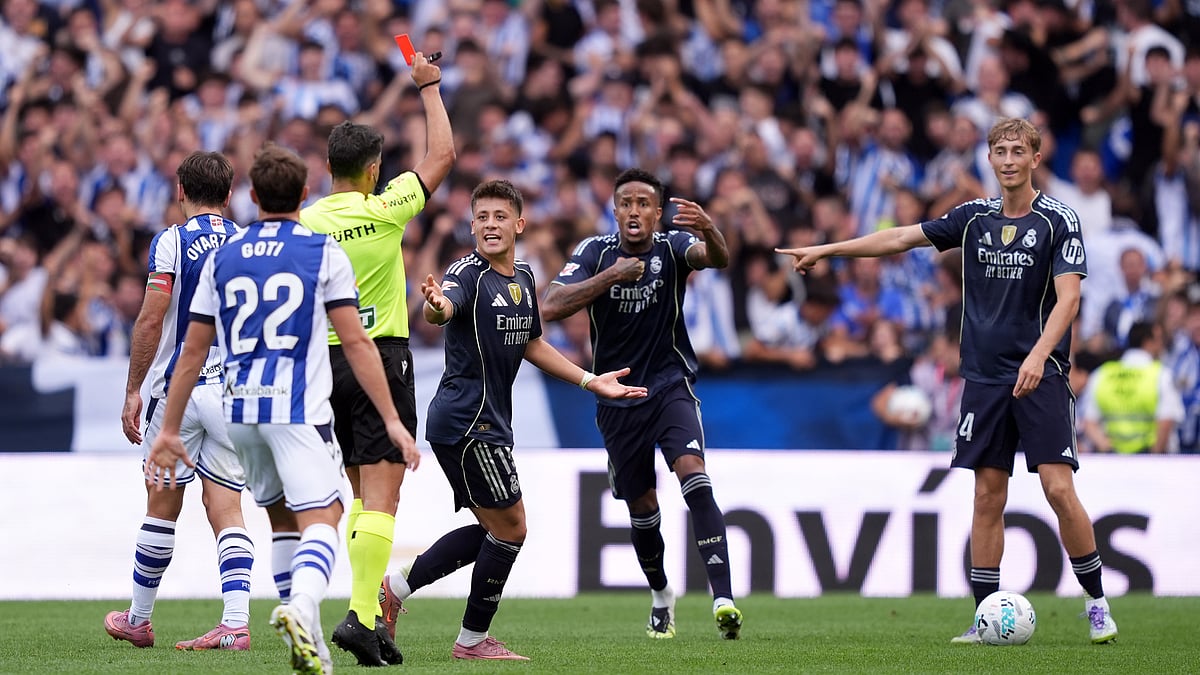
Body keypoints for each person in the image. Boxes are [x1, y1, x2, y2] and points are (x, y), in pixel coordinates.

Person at [776, 117, 1119, 645]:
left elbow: (1069, 298)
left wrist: (1038, 356)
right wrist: (829, 250)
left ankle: (1097, 604)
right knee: (987, 495)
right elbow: (900, 237)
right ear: (989, 159)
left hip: (1040, 372)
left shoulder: (1058, 220)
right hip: (983, 378)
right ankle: (985, 618)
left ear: (1034, 157)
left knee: (1056, 487)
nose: (1007, 160)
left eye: (1016, 151)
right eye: (999, 151)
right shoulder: (973, 217)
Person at [145, 143, 419, 675]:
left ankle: (310, 640)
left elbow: (192, 350)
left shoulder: (224, 256)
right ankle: (300, 609)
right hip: (296, 408)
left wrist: (170, 426)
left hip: (240, 409)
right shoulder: (321, 251)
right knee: (330, 514)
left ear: (251, 196)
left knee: (284, 525)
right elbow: (358, 344)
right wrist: (391, 419)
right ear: (303, 195)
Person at [377, 179, 647, 660]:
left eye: (500, 216)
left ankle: (395, 588)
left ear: (519, 224)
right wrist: (437, 307)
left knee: (493, 527)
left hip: (484, 420)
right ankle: (472, 640)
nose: (489, 225)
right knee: (513, 528)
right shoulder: (467, 272)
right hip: (467, 420)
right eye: (481, 217)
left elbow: (533, 344)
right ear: (472, 225)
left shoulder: (522, 278)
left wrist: (591, 380)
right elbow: (444, 307)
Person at [541, 168, 744, 640]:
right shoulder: (595, 253)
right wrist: (611, 276)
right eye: (625, 203)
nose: (634, 211)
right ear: (615, 212)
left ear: (657, 212)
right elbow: (549, 305)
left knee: (693, 472)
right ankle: (660, 594)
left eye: (643, 204)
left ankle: (724, 598)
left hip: (670, 385)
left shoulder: (673, 247)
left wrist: (710, 228)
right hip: (616, 395)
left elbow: (717, 257)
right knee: (643, 507)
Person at [299, 50, 454, 666]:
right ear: (372, 170)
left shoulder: (307, 222)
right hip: (381, 357)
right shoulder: (384, 210)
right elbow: (442, 157)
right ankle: (363, 616)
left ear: (325, 167)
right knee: (384, 493)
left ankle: (360, 614)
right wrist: (431, 87)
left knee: (362, 491)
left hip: (321, 362)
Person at [105, 151, 260, 651]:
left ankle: (139, 618)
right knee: (227, 509)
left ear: (179, 191)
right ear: (230, 193)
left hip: (179, 388)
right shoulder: (247, 242)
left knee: (162, 505)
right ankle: (235, 623)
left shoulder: (171, 241)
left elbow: (151, 319)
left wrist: (133, 388)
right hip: (233, 391)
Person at [1082, 320, 1184, 454]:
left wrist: (1108, 449)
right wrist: (1154, 457)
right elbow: (1166, 422)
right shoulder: (1161, 375)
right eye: (1159, 340)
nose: (1162, 346)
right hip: (1150, 458)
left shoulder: (1102, 374)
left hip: (1112, 461)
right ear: (1148, 342)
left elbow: (1089, 423)